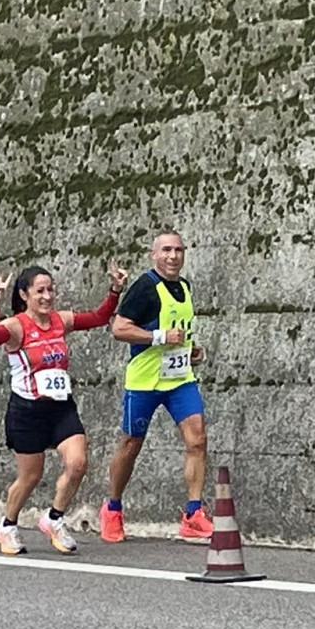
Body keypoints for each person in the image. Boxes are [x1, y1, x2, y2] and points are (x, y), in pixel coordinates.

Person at [0, 261, 127, 555]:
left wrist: (115, 289)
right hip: (27, 411)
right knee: (30, 477)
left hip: (60, 407)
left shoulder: (61, 320)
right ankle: (7, 525)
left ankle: (54, 519)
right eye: (40, 291)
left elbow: (99, 318)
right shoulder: (16, 326)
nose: (47, 297)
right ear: (24, 295)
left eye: (50, 290)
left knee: (78, 463)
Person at [98, 228, 213, 543]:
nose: (173, 256)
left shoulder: (185, 287)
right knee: (130, 445)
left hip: (179, 380)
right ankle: (112, 508)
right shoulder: (145, 288)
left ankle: (193, 514)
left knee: (197, 439)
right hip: (145, 381)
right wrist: (160, 337)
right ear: (154, 254)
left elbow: (178, 331)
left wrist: (191, 351)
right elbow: (119, 329)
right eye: (166, 250)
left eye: (178, 250)